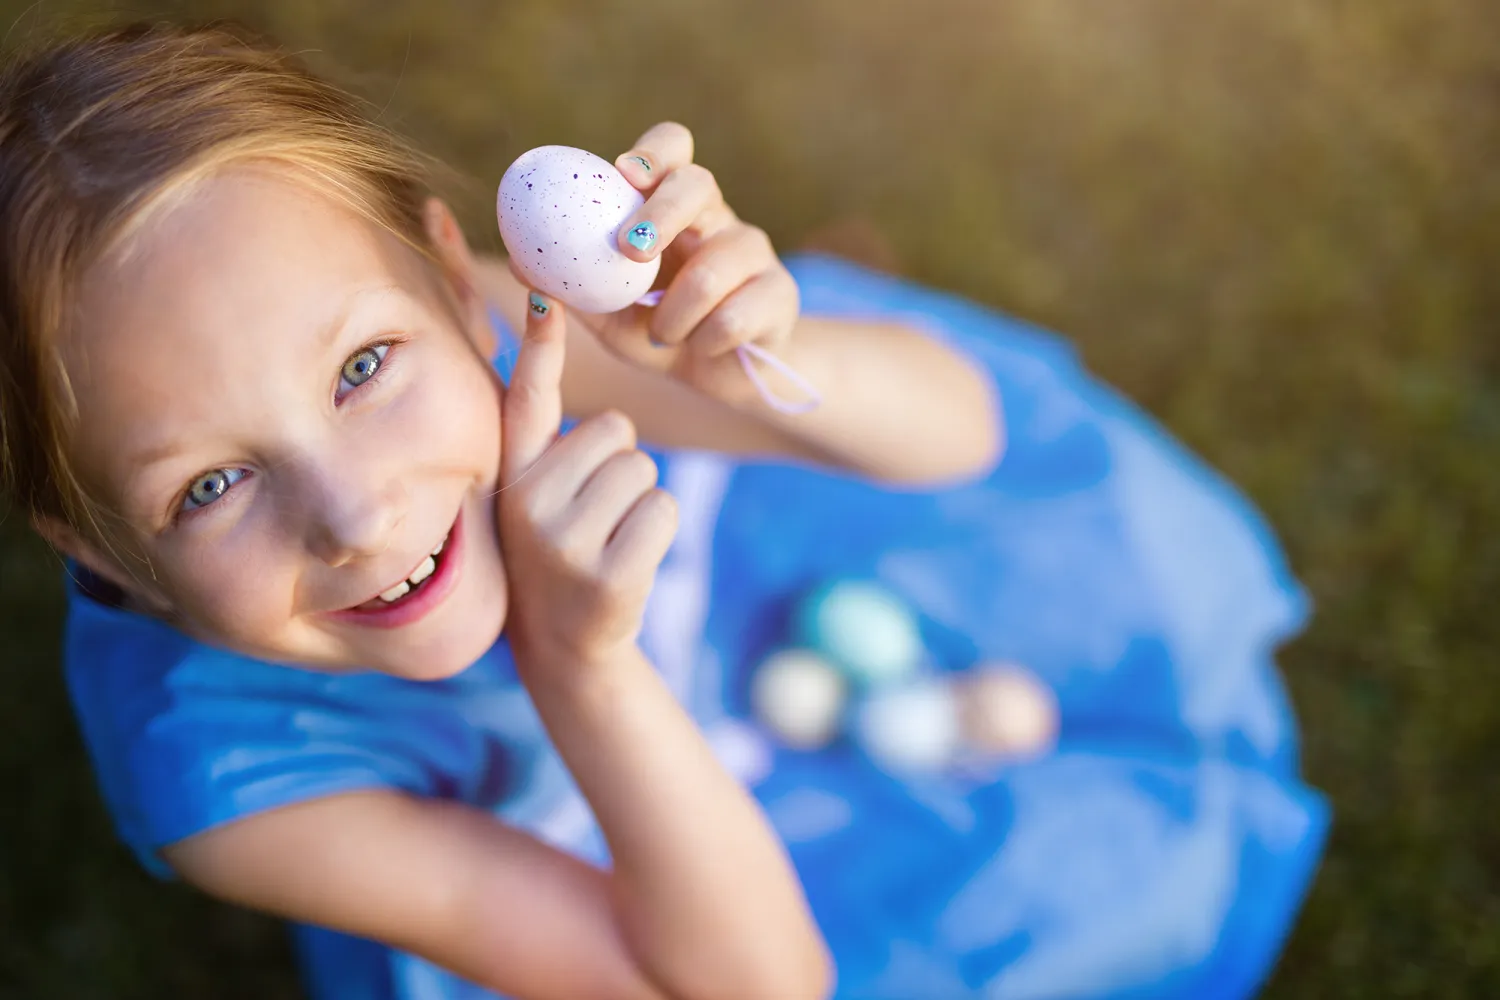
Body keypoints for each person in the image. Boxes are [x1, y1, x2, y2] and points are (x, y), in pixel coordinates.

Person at [0, 21, 1329, 1000]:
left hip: (699, 589)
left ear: (455, 281)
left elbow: (966, 439)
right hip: (599, 892)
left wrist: (746, 359)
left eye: (361, 370)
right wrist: (583, 664)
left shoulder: (507, 346)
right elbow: (751, 988)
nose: (352, 513)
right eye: (211, 485)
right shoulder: (227, 785)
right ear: (88, 544)